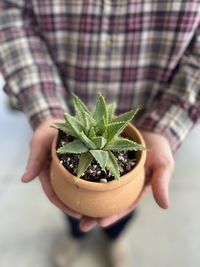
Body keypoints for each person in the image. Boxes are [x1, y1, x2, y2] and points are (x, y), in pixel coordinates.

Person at [0, 1, 200, 266]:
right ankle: (74, 236)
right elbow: (9, 11)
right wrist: (45, 109)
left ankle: (115, 237)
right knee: (70, 206)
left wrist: (165, 127)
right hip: (65, 109)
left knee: (124, 205)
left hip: (149, 112)